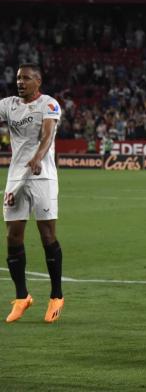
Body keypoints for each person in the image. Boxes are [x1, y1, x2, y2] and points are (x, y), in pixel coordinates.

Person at [1, 63, 65, 324]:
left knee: (47, 234)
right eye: (18, 78)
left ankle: (56, 296)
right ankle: (22, 296)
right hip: (16, 177)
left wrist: (38, 158)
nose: (20, 82)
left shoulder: (49, 104)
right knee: (12, 235)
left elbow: (47, 135)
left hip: (43, 176)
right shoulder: (8, 104)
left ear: (38, 81)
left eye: (26, 78)